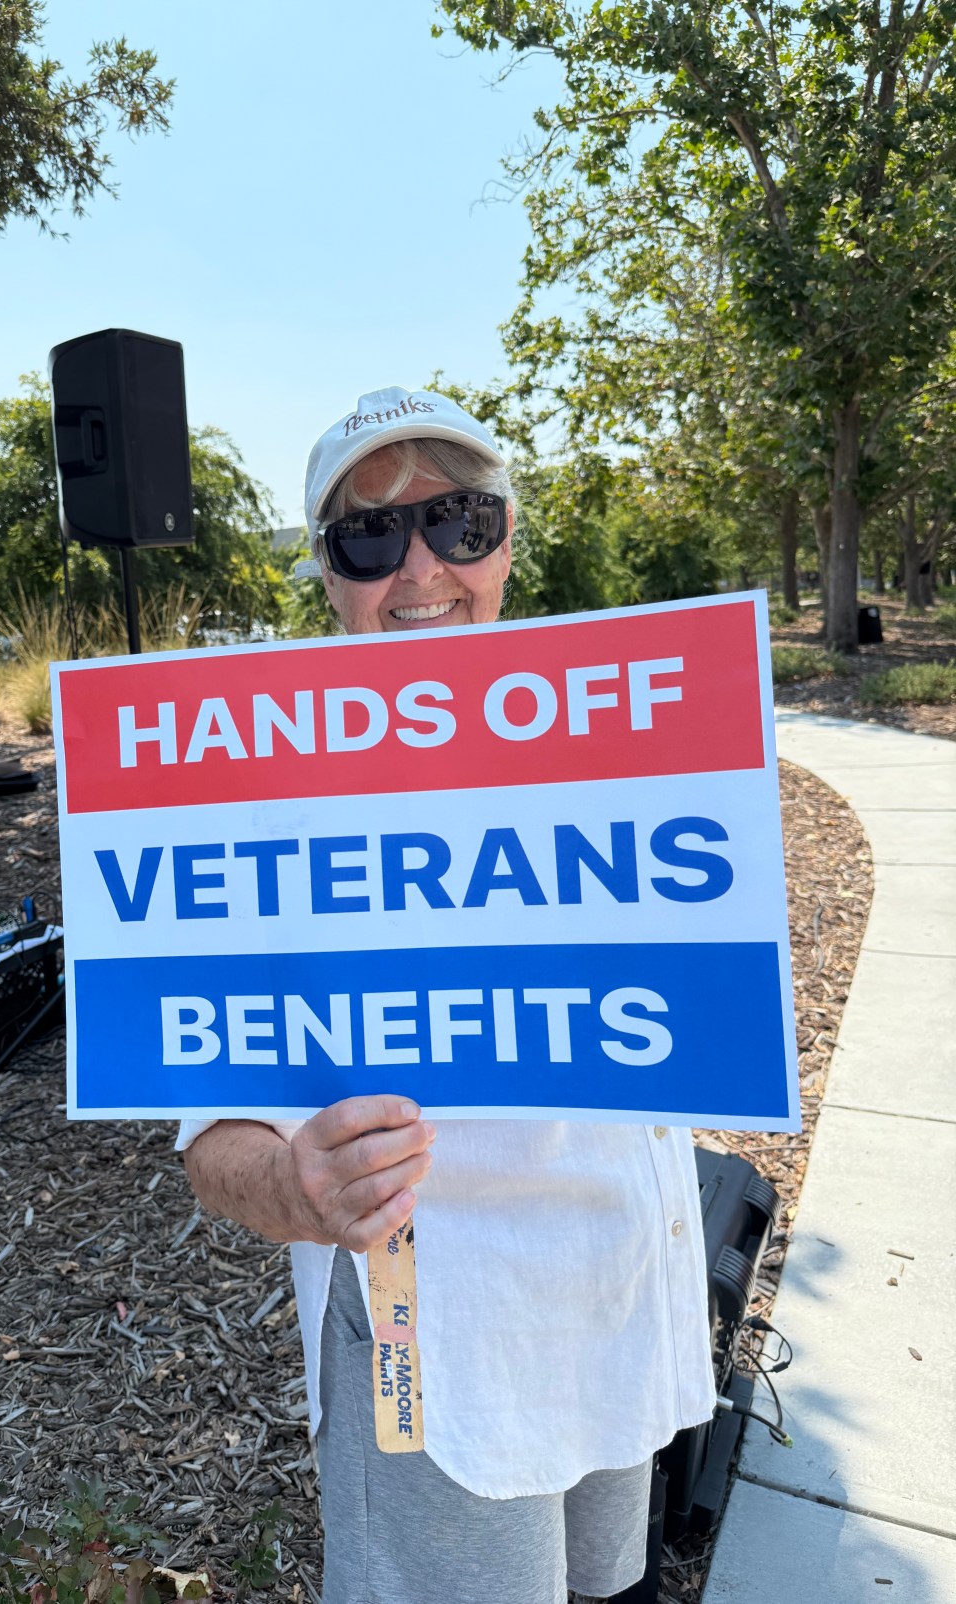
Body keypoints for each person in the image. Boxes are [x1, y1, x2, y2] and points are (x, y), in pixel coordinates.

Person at [177, 388, 715, 1604]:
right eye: (372, 537)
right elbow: (211, 1141)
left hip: (621, 1301)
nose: (422, 567)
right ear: (328, 573)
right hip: (444, 1339)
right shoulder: (261, 799)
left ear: (508, 538)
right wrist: (297, 1184)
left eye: (458, 522)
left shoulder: (631, 742)